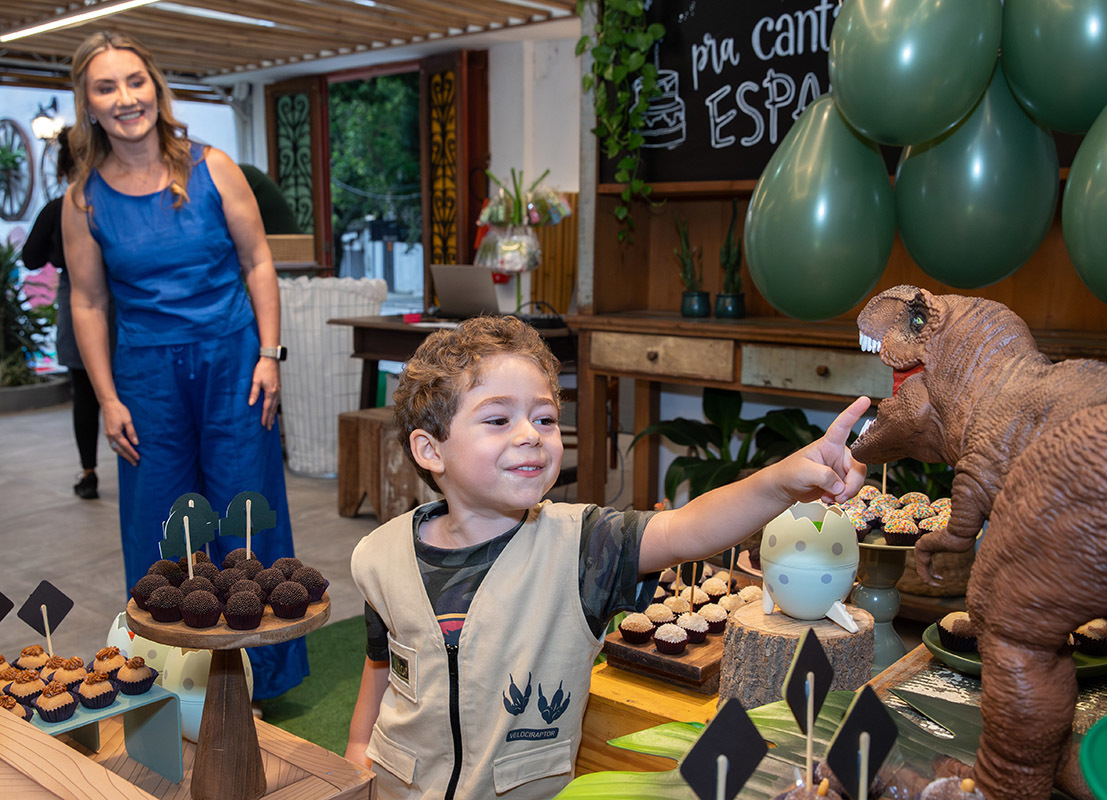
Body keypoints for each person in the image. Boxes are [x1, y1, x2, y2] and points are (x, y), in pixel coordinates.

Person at [345, 315, 870, 799]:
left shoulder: (585, 545)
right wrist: (354, 760)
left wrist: (780, 482)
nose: (531, 435)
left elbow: (688, 529)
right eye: (499, 419)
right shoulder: (381, 556)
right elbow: (383, 666)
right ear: (430, 450)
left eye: (545, 418)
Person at [61, 31, 307, 700]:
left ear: (156, 87)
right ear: (87, 102)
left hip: (233, 361)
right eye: (106, 87)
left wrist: (268, 354)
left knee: (244, 507)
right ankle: (167, 678)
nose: (125, 98)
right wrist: (108, 398)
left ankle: (265, 676)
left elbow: (259, 262)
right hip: (146, 376)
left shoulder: (213, 167)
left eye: (135, 81)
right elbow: (87, 302)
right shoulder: (82, 200)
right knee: (157, 522)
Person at [22, 126, 114, 499]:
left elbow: (30, 258)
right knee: (131, 389)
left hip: (75, 294)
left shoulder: (57, 208)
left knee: (85, 393)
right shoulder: (113, 203)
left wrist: (58, 252)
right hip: (119, 299)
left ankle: (89, 473)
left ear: (63, 169)